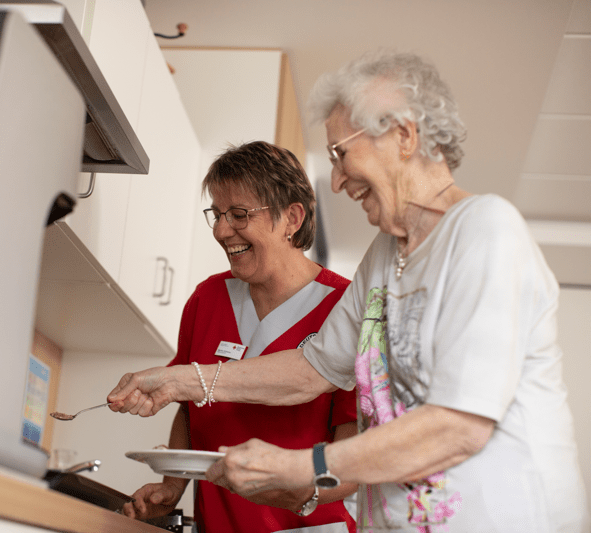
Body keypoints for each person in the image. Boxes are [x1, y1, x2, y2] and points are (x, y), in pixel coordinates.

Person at [108, 52, 590, 532]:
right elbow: (312, 367)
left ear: (404, 135)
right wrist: (179, 382)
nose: (336, 181)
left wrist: (300, 467)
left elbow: (458, 424)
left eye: (341, 153)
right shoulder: (384, 255)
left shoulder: (484, 229)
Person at [122, 141, 359, 533]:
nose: (220, 229)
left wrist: (293, 492)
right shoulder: (207, 298)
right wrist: (172, 486)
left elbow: (353, 458)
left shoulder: (345, 308)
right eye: (216, 214)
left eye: (238, 214)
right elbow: (188, 407)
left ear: (292, 218)